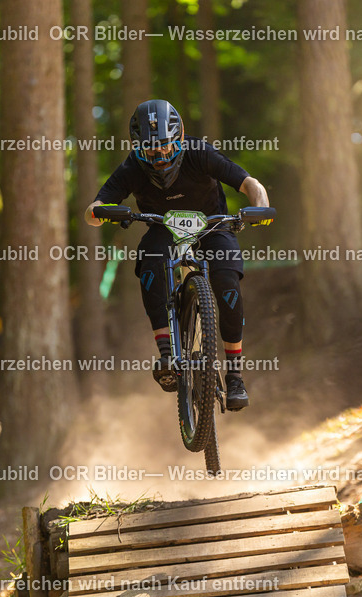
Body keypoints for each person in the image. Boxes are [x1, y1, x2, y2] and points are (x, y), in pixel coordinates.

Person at [85, 99, 270, 411]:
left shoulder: (200, 152)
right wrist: (102, 212)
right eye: (149, 151)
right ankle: (166, 353)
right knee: (150, 262)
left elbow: (249, 183)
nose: (158, 157)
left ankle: (235, 374)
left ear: (180, 140)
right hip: (162, 228)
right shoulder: (132, 167)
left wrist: (260, 207)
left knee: (226, 281)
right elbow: (93, 208)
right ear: (137, 148)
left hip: (212, 225)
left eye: (166, 149)